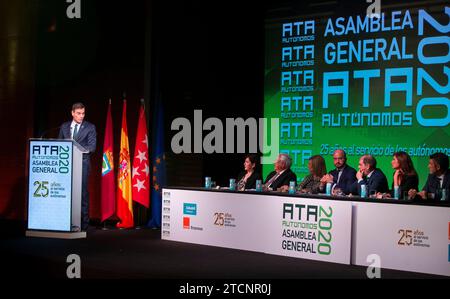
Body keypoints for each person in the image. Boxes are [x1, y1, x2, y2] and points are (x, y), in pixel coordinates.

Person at [58, 102, 97, 231]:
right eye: (79, 113)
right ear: (72, 113)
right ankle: (64, 221)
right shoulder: (64, 127)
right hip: (66, 165)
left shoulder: (90, 127)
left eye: (83, 113)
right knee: (65, 193)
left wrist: (78, 149)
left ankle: (84, 224)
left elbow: (92, 147)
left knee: (83, 194)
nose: (81, 116)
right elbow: (60, 145)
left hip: (82, 165)